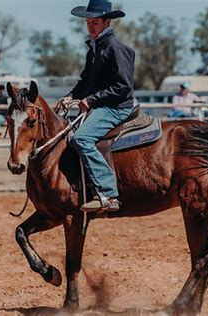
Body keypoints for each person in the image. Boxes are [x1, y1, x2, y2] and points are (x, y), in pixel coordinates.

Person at [56, 0, 134, 213]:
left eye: (95, 23)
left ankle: (108, 194)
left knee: (81, 138)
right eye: (88, 22)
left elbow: (123, 86)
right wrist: (70, 96)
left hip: (116, 107)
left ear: (108, 22)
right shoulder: (95, 48)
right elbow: (85, 82)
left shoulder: (115, 48)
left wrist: (91, 100)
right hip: (102, 105)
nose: (91, 26)